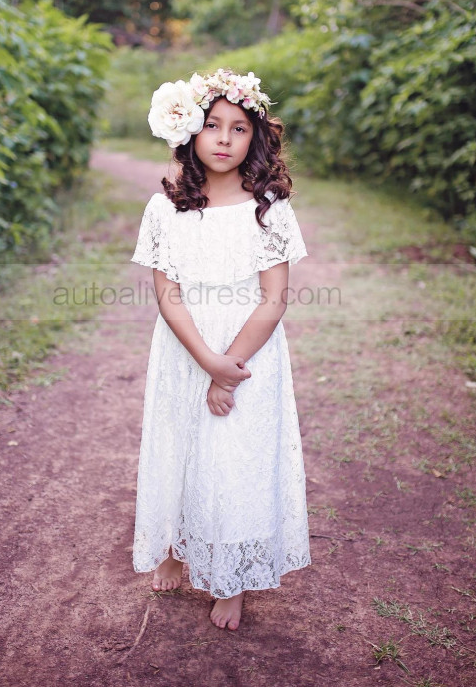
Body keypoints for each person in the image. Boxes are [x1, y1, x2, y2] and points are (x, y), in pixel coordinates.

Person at [130, 68, 311, 631]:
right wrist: (205, 361)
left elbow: (274, 300)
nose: (225, 139)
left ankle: (231, 578)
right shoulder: (167, 207)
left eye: (239, 128)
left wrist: (228, 369)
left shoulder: (270, 207)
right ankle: (172, 545)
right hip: (187, 346)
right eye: (213, 126)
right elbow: (167, 294)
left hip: (248, 351)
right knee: (179, 442)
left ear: (256, 138)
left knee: (235, 457)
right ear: (191, 132)